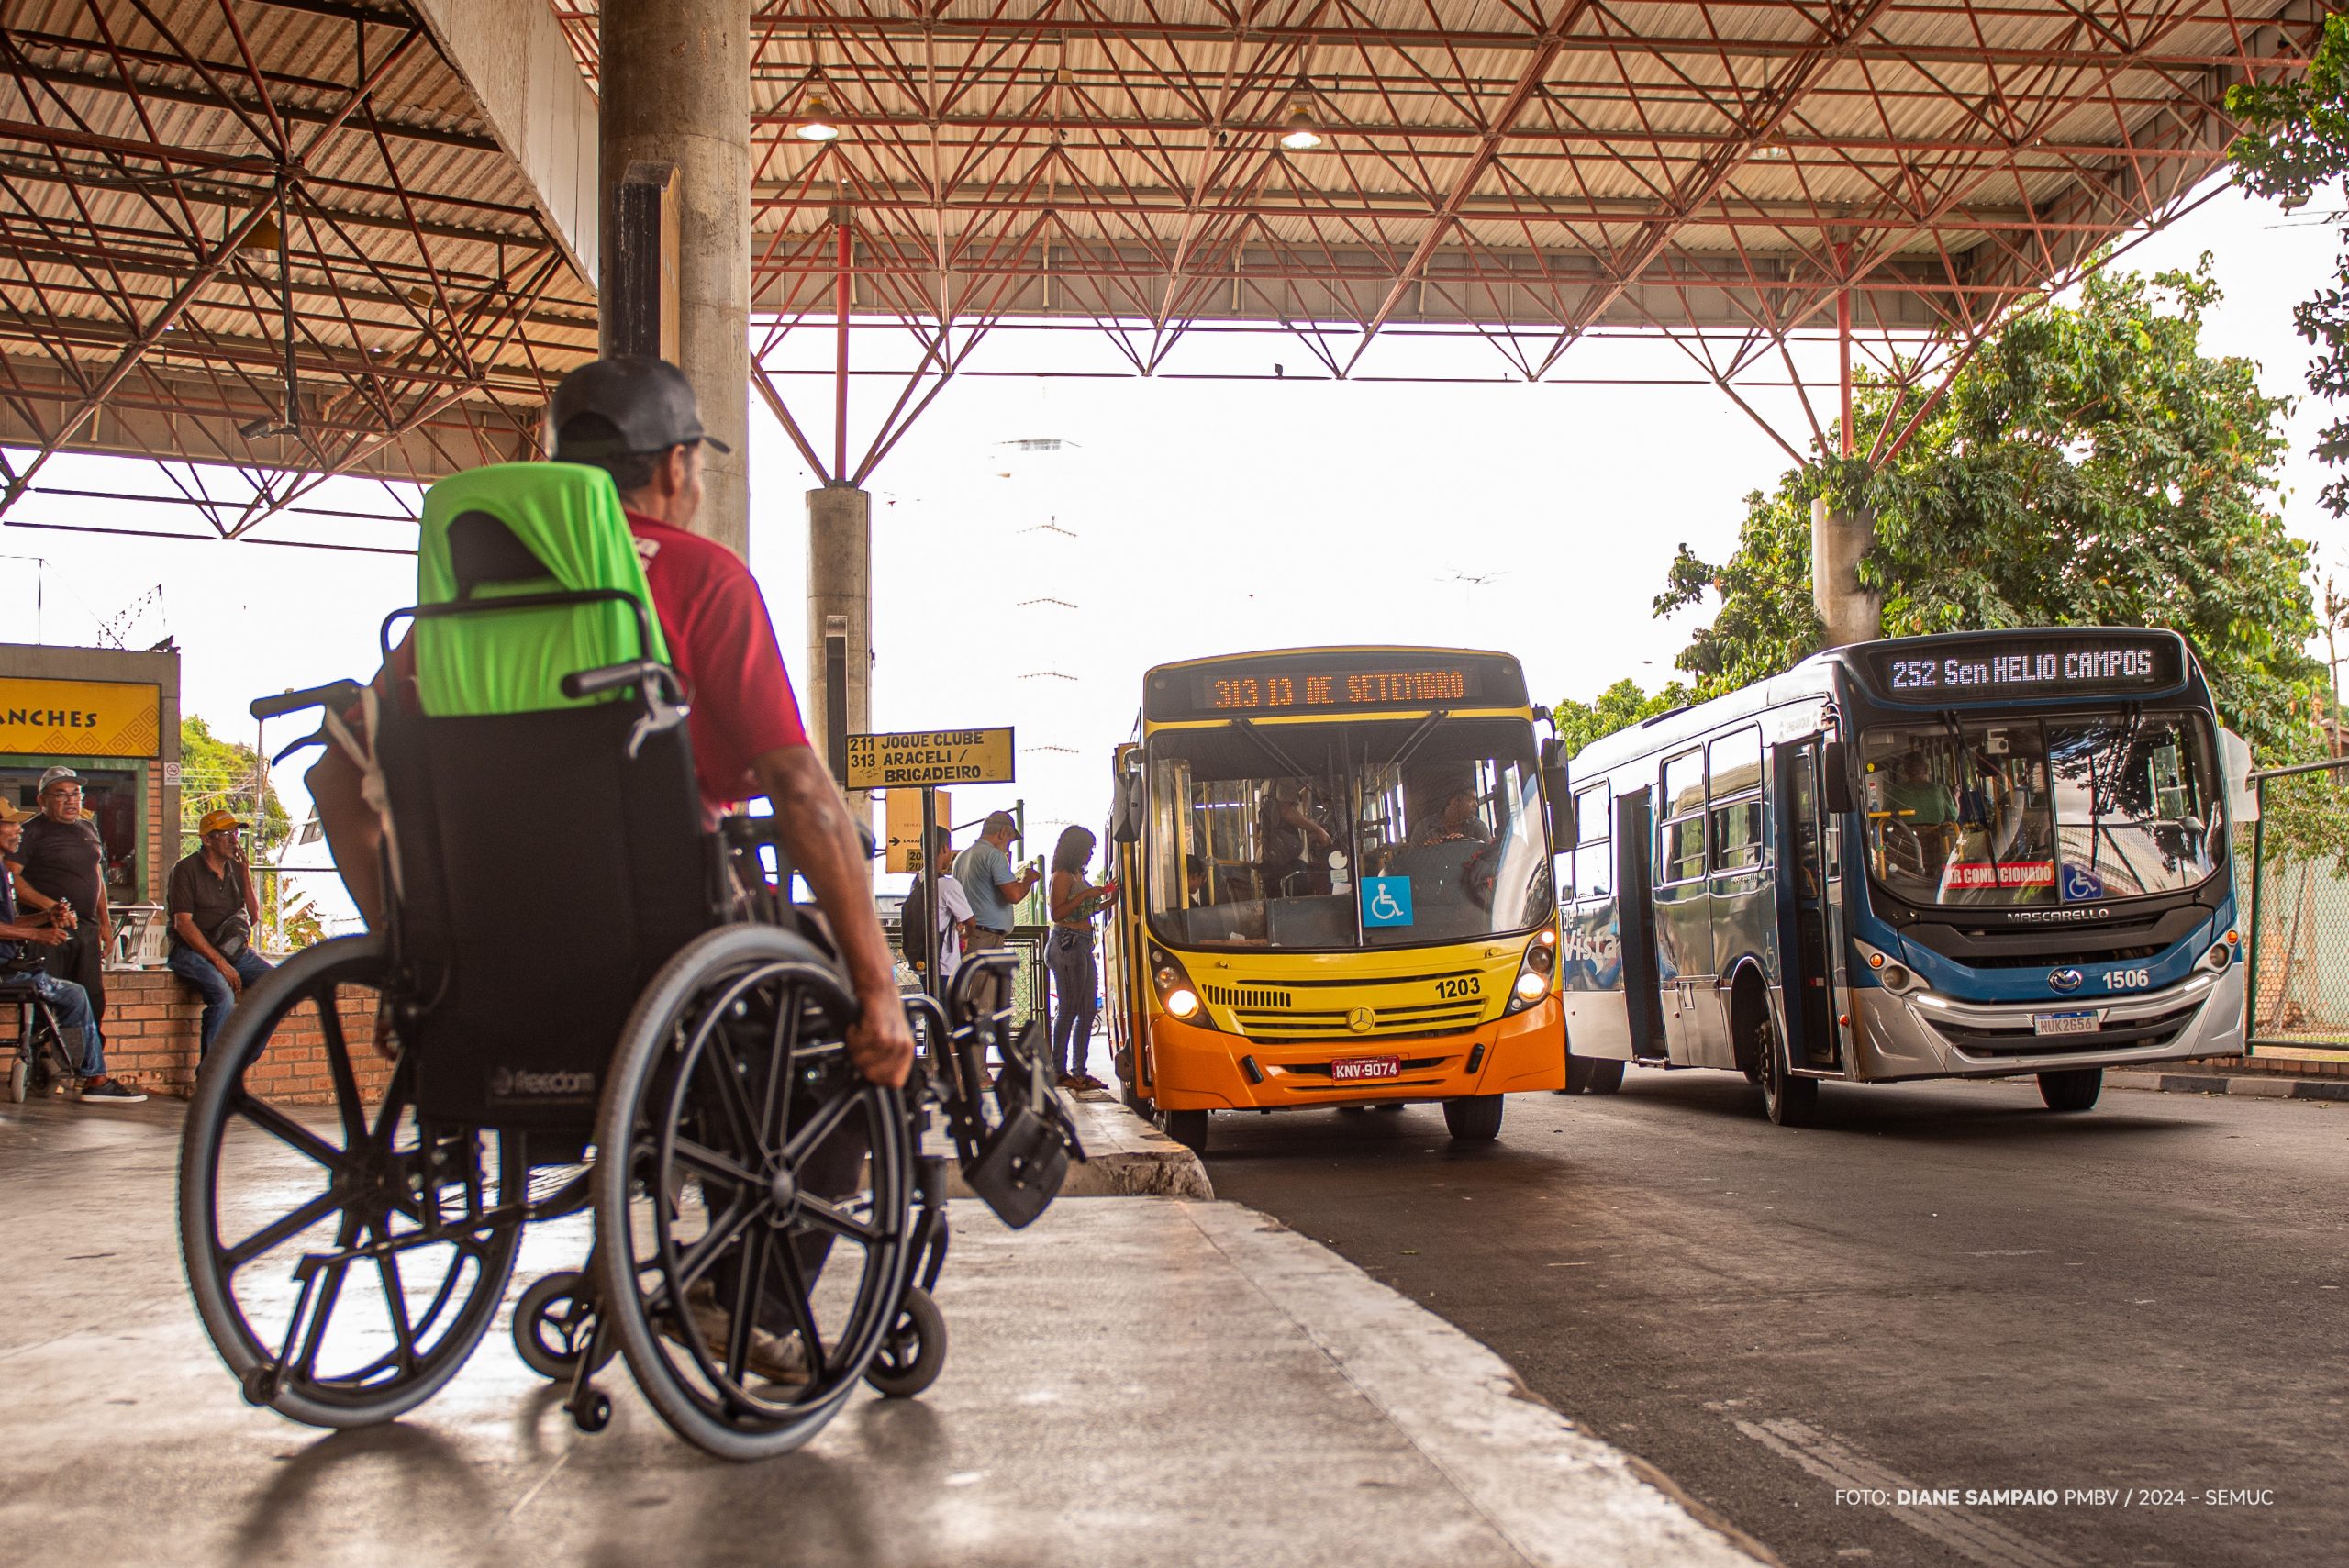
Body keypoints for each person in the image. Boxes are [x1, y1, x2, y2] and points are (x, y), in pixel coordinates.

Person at [308, 357, 912, 1383]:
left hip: (485, 966)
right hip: (658, 955)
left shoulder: (457, 612)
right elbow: (804, 794)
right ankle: (737, 1292)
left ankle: (638, 1257)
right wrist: (877, 986)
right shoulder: (701, 577)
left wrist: (412, 951)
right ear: (677, 467)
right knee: (845, 1053)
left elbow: (335, 780)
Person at [0, 803, 139, 1103]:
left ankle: (76, 1068)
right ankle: (93, 1077)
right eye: (10, 826)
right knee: (74, 995)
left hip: (11, 966)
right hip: (5, 972)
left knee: (81, 995)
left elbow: (7, 923)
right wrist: (35, 934)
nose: (18, 831)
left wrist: (47, 917)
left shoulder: (3, 871)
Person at [4, 767, 112, 1046]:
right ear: (43, 800)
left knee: (92, 998)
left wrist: (105, 921)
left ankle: (82, 1066)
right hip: (47, 931)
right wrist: (51, 908)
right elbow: (13, 877)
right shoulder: (29, 831)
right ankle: (43, 1067)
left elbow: (95, 874)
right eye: (60, 795)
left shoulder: (88, 827)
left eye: (76, 794)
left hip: (86, 930)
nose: (71, 801)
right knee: (47, 1001)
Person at [166, 810, 273, 1055]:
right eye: (226, 834)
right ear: (207, 840)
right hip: (192, 950)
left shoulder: (235, 869)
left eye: (235, 833)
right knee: (223, 995)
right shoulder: (185, 869)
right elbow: (183, 924)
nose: (234, 839)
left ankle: (238, 1065)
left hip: (231, 949)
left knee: (274, 986)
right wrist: (219, 963)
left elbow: (253, 917)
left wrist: (245, 875)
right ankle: (210, 1079)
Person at [1045, 826, 1112, 1090]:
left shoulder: (1075, 875)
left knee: (1087, 1009)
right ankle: (1059, 1071)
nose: (1090, 854)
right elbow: (1057, 912)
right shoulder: (1062, 876)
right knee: (1070, 1009)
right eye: (1087, 849)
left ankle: (1080, 1071)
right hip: (1067, 943)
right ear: (1075, 849)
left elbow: (1086, 910)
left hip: (1081, 943)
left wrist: (1107, 898)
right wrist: (1087, 894)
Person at [953, 811, 1039, 1014]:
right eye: (1009, 839)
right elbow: (1014, 894)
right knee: (983, 1006)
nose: (1009, 845)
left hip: (968, 936)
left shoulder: (961, 858)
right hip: (987, 939)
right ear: (1002, 833)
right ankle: (974, 1047)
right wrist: (1028, 878)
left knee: (970, 1000)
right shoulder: (993, 856)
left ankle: (967, 1044)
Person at [901, 825, 973, 989]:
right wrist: (964, 935)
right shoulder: (949, 885)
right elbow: (970, 923)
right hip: (945, 966)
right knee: (946, 1012)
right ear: (944, 848)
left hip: (924, 962)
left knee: (933, 1009)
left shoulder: (918, 881)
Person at [1414, 785, 1490, 848]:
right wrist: (1429, 851)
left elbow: (1491, 860)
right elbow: (1412, 863)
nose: (1476, 805)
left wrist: (1464, 846)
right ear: (1455, 801)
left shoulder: (1478, 827)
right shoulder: (1423, 829)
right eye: (1471, 800)